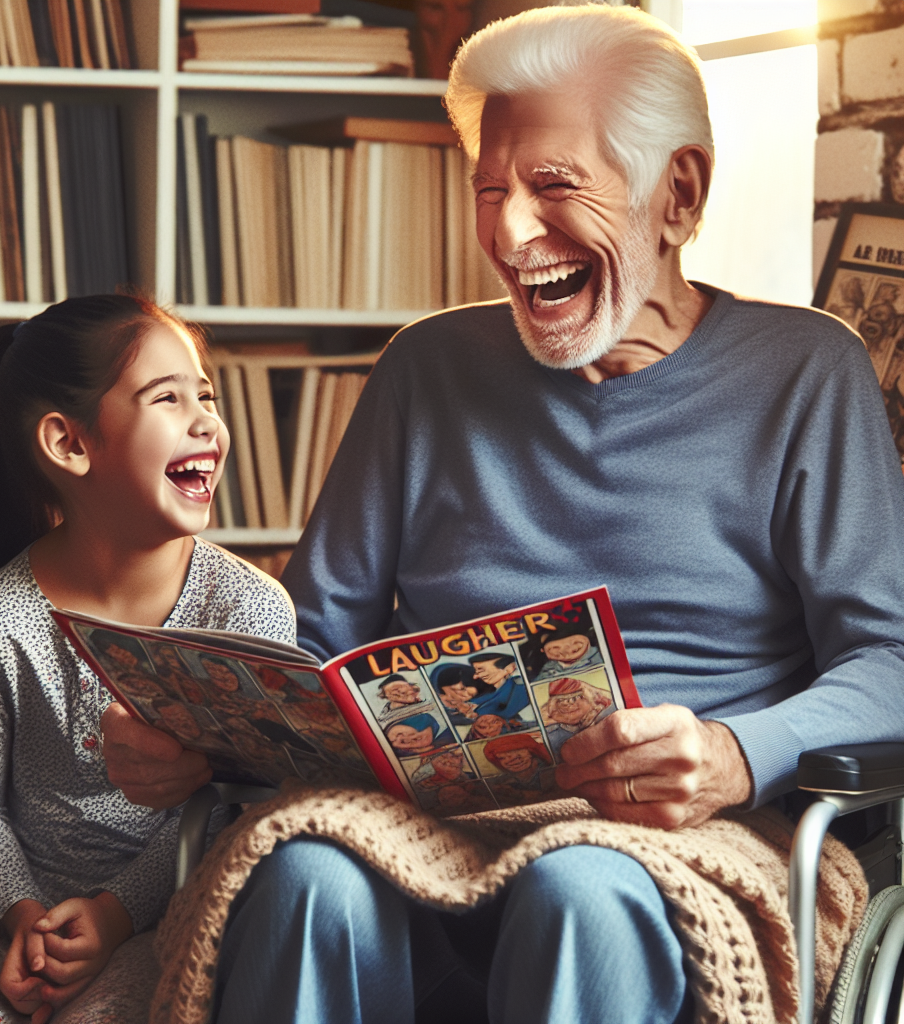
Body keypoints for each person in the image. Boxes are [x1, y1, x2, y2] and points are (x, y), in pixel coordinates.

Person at [99, 6, 904, 1022]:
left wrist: (737, 754)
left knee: (578, 890)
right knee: (302, 874)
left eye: (554, 186)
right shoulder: (425, 368)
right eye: (490, 188)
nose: (511, 232)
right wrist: (201, 734)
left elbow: (890, 660)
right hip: (418, 816)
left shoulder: (805, 372)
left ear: (678, 192)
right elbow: (311, 641)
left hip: (669, 836)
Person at [0, 295, 296, 1024]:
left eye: (205, 393)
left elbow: (227, 816)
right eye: (168, 398)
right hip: (12, 919)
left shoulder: (250, 612)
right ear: (69, 444)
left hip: (166, 914)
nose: (206, 419)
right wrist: (22, 920)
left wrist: (115, 915)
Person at [541, 676, 614, 757]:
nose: (568, 705)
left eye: (575, 698)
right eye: (561, 701)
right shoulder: (552, 736)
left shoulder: (606, 716)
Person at [467, 652, 533, 720]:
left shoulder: (520, 687)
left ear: (510, 668)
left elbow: (506, 713)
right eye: (476, 672)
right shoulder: (488, 691)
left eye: (481, 671)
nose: (476, 676)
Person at [532, 628, 602, 680]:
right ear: (542, 650)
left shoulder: (600, 657)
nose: (566, 650)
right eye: (555, 648)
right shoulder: (549, 667)